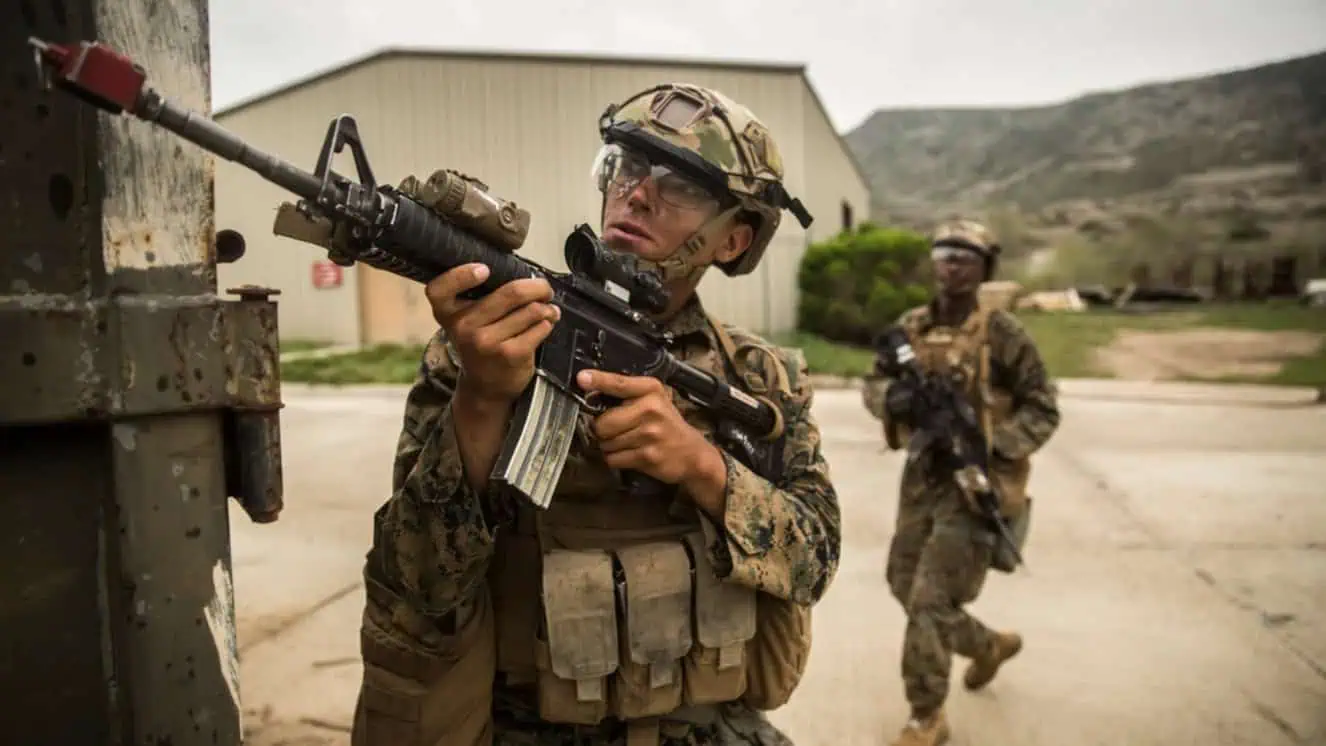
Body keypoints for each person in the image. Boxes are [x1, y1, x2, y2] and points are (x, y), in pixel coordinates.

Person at [349, 83, 842, 746]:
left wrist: (702, 468)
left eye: (682, 187)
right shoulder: (492, 341)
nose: (637, 194)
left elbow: (816, 559)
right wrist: (483, 398)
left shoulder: (757, 377)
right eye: (627, 166)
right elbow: (417, 582)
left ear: (734, 240)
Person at [860, 220, 1060, 746]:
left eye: (965, 256)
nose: (952, 264)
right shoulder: (911, 328)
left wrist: (994, 446)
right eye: (945, 253)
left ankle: (926, 716)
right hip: (923, 477)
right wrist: (893, 401)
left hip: (975, 486)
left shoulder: (1003, 334)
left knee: (929, 600)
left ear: (984, 268)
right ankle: (988, 645)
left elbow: (1043, 407)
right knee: (903, 581)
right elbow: (875, 380)